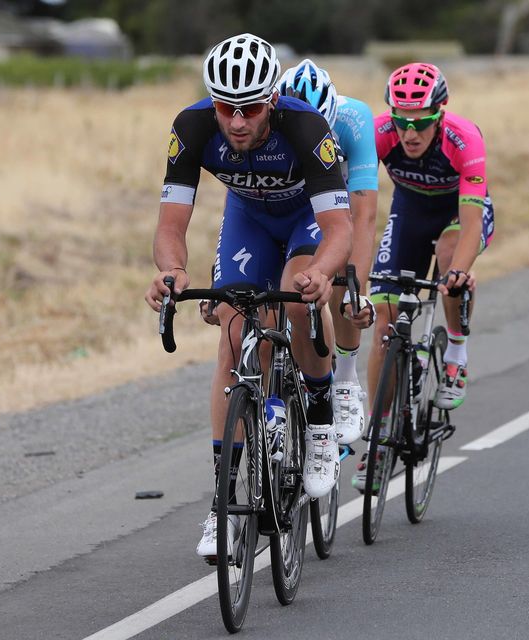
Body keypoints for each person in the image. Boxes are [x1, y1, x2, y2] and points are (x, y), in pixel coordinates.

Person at [144, 34, 353, 558]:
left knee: (294, 297)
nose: (237, 121)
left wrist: (325, 272)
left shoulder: (307, 128)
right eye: (225, 107)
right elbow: (171, 224)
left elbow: (340, 227)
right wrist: (171, 271)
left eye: (251, 108)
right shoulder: (191, 127)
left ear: (273, 100)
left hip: (307, 219)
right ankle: (221, 501)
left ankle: (321, 421)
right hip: (250, 220)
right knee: (233, 333)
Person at [354, 62, 495, 491]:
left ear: (441, 112)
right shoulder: (378, 134)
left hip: (459, 213)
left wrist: (458, 273)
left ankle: (455, 354)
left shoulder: (463, 138)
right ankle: (378, 441)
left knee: (450, 260)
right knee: (383, 323)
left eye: (421, 122)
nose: (410, 134)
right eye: (402, 122)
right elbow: (355, 205)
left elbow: (471, 224)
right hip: (410, 211)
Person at [276, 59, 379, 447]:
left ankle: (347, 378)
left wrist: (358, 289)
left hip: (341, 201)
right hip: (294, 201)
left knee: (342, 281)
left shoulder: (354, 120)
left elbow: (364, 216)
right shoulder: (269, 120)